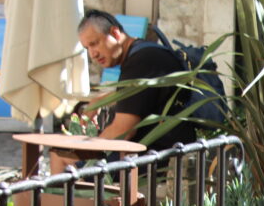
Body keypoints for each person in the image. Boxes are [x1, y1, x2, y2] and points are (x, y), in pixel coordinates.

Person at [76, 9, 195, 151]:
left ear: (115, 33)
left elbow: (122, 131)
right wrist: (98, 101)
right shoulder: (145, 52)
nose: (92, 54)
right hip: (158, 150)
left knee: (62, 157)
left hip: (157, 157)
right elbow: (139, 94)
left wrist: (84, 150)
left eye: (95, 43)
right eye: (87, 48)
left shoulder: (141, 62)